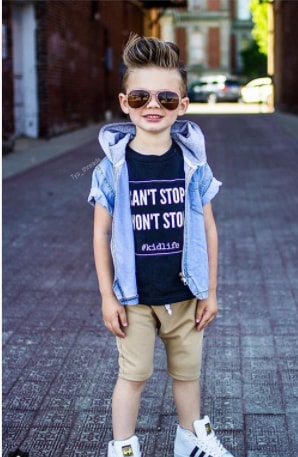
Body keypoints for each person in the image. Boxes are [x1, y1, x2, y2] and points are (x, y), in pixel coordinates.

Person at [88, 34, 234, 457]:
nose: (154, 105)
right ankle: (123, 448)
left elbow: (209, 229)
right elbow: (100, 234)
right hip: (133, 298)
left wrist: (210, 290)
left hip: (186, 294)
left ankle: (191, 438)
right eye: (141, 96)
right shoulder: (111, 168)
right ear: (124, 102)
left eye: (167, 98)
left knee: (187, 373)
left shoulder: (193, 163)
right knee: (133, 375)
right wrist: (106, 297)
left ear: (183, 107)